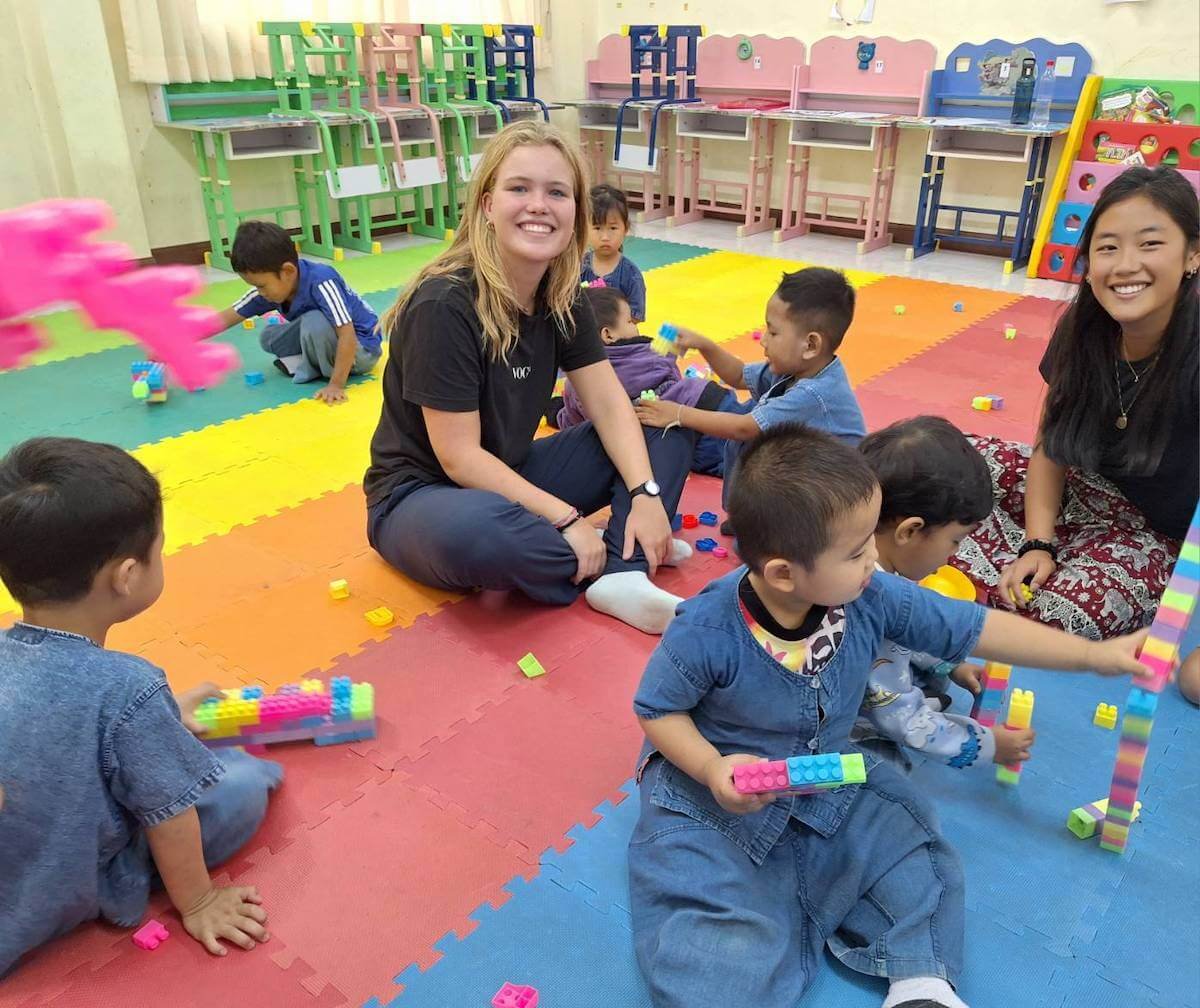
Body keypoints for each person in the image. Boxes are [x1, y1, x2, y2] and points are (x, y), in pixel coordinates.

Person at [629, 424, 1151, 1008]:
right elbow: (657, 711)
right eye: (855, 552)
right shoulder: (705, 629)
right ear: (783, 573)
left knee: (910, 841)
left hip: (825, 777)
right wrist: (709, 768)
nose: (874, 559)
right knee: (703, 924)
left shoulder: (870, 594)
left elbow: (974, 627)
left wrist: (1094, 656)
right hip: (711, 802)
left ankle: (921, 984)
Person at [363, 121, 693, 635]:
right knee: (488, 537)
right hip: (421, 496)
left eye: (556, 192)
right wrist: (565, 519)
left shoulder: (563, 298)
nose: (539, 204)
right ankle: (622, 547)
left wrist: (646, 493)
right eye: (520, 188)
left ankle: (622, 571)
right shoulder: (444, 303)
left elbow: (609, 404)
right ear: (489, 204)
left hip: (512, 472)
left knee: (662, 423)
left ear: (575, 214)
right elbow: (458, 457)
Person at [0, 437, 282, 977]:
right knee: (241, 783)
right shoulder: (129, 687)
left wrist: (162, 715)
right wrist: (198, 902)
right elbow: (170, 815)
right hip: (64, 885)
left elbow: (55, 728)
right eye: (159, 549)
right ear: (127, 577)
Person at [952, 166, 1198, 656]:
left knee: (1065, 614)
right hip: (1075, 495)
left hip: (1151, 539)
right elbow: (1050, 444)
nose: (1125, 265)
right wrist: (1037, 543)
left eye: (1150, 244)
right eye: (1107, 247)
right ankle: (962, 569)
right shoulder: (1084, 329)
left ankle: (944, 581)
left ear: (1193, 254)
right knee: (936, 462)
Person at [855, 416, 1035, 773]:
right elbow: (901, 718)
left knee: (928, 681)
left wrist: (951, 664)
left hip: (863, 669)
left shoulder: (873, 556)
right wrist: (985, 745)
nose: (954, 555)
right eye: (955, 541)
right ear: (909, 531)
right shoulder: (872, 599)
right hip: (806, 715)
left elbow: (910, 630)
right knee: (887, 771)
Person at [633, 267, 865, 532]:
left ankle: (762, 524)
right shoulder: (798, 368)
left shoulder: (814, 393)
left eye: (773, 332)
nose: (763, 340)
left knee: (748, 440)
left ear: (811, 345)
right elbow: (738, 376)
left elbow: (744, 427)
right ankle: (748, 514)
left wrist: (678, 414)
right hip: (802, 470)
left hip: (829, 500)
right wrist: (705, 345)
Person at [551, 285, 743, 475]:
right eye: (630, 322)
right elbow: (673, 375)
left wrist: (556, 414)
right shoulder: (648, 352)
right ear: (608, 334)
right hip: (706, 406)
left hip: (688, 429)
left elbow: (575, 423)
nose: (636, 327)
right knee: (751, 442)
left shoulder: (575, 384)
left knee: (735, 462)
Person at [212, 220, 381, 405]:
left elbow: (347, 333)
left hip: (361, 350)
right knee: (269, 337)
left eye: (261, 286)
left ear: (288, 271)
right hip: (325, 337)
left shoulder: (322, 281)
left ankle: (312, 368)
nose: (260, 292)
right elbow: (225, 318)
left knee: (314, 320)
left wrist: (336, 385)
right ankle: (309, 361)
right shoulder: (273, 286)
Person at [580, 184, 646, 321]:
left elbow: (636, 315)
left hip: (619, 338)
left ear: (625, 229)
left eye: (613, 228)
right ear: (585, 229)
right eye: (597, 228)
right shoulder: (579, 267)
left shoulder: (631, 274)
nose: (605, 237)